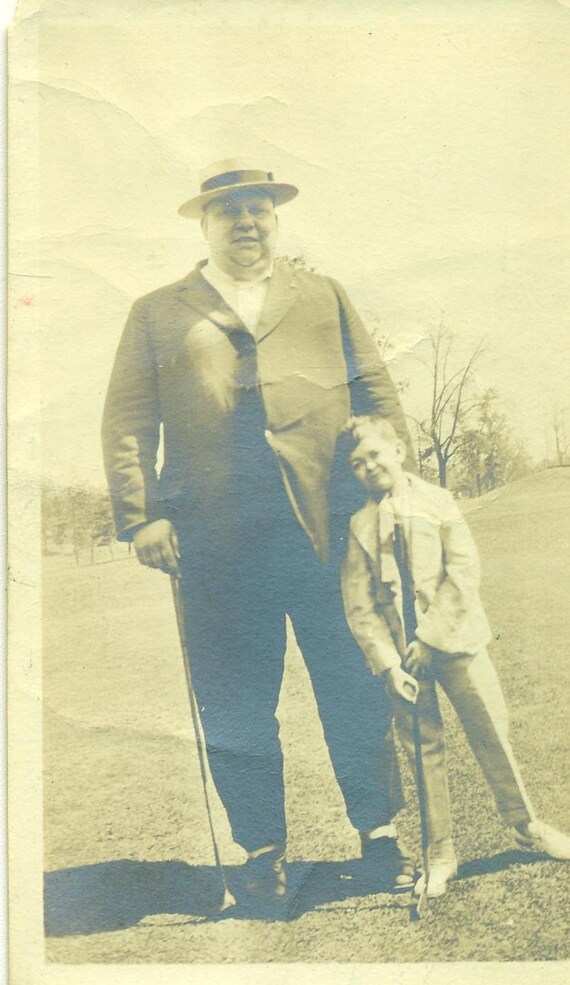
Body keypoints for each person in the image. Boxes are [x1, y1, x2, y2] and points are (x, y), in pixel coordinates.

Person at [102, 159, 418, 901]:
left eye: (259, 209)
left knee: (353, 681)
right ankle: (261, 853)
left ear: (276, 218)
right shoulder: (157, 310)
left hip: (328, 528)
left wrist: (390, 488)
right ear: (203, 223)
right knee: (236, 699)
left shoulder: (323, 295)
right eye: (228, 211)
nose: (246, 222)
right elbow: (125, 419)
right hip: (213, 543)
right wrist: (142, 513)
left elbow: (375, 389)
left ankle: (379, 837)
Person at [341, 414, 570, 898]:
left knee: (491, 731)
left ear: (398, 450)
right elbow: (359, 606)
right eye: (357, 464)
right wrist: (389, 662)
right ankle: (439, 853)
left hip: (454, 640)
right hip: (404, 663)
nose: (368, 467)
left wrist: (428, 639)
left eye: (375, 455)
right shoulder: (360, 525)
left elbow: (463, 572)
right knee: (423, 752)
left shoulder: (437, 502)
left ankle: (525, 824)